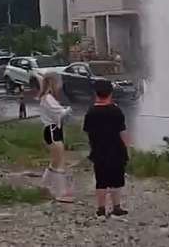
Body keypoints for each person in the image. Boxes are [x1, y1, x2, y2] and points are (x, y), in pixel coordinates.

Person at [83, 79, 130, 217]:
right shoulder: (116, 111)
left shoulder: (91, 112)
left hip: (98, 151)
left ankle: (101, 208)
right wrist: (128, 147)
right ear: (111, 93)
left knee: (101, 181)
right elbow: (123, 132)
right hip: (117, 151)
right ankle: (116, 207)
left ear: (96, 94)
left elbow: (87, 131)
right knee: (117, 180)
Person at [38, 74, 73, 203]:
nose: (60, 86)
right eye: (58, 83)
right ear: (53, 83)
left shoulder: (48, 98)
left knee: (55, 161)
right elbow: (59, 113)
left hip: (54, 130)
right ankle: (60, 192)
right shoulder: (48, 98)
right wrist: (69, 109)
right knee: (59, 161)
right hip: (52, 130)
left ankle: (44, 186)